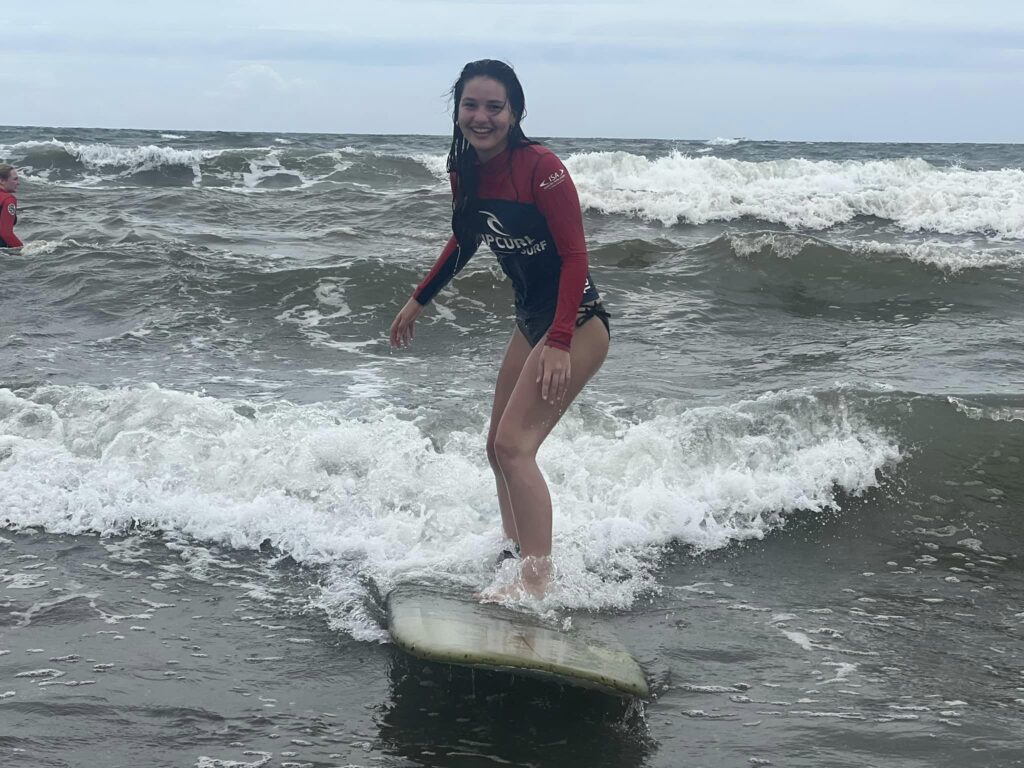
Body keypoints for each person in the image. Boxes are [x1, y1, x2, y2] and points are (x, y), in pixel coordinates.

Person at [389, 59, 610, 598]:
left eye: (495, 106)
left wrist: (559, 341)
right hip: (531, 319)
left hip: (576, 321)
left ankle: (535, 581)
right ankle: (514, 555)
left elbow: (576, 256)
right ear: (457, 109)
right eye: (471, 105)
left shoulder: (543, 168)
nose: (481, 117)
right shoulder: (464, 168)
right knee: (495, 446)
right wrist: (420, 299)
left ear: (515, 113)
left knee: (515, 447)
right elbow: (465, 239)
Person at [0, 164, 23, 248]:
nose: (18, 183)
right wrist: (22, 250)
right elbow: (6, 233)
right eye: (15, 179)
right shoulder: (8, 200)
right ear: (2, 181)